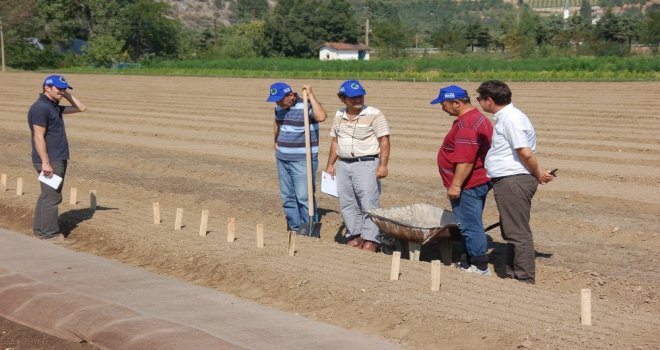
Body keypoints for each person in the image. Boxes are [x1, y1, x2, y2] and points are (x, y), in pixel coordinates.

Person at [476, 80, 554, 284]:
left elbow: (525, 152)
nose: (478, 102)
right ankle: (513, 275)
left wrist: (538, 173)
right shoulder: (507, 117)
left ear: (489, 100)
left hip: (513, 181)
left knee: (518, 232)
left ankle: (524, 280)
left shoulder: (511, 119)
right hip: (511, 179)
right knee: (511, 230)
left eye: (479, 98)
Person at [431, 85, 493, 275]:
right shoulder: (475, 118)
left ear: (457, 103)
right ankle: (467, 261)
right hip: (476, 181)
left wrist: (456, 185)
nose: (442, 108)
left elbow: (466, 160)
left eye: (444, 104)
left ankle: (479, 266)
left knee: (469, 225)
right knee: (468, 223)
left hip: (468, 184)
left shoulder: (467, 125)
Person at [324, 80, 390, 252]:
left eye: (360, 96)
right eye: (353, 98)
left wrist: (383, 165)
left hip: (366, 163)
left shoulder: (374, 114)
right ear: (342, 99)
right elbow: (335, 141)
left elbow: (384, 140)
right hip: (344, 164)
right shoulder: (339, 115)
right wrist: (330, 164)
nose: (357, 100)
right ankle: (355, 234)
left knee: (369, 201)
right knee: (347, 202)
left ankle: (370, 239)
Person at [28, 75, 87, 239]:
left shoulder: (53, 107)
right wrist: (46, 163)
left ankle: (40, 230)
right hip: (50, 160)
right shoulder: (41, 108)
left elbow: (81, 108)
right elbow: (38, 137)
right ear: (47, 88)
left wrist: (65, 94)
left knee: (47, 195)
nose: (62, 92)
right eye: (59, 89)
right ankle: (51, 234)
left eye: (64, 88)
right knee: (52, 196)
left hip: (55, 158)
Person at [267, 82, 327, 236]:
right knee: (287, 196)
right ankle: (294, 227)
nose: (278, 102)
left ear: (291, 95)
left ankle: (309, 230)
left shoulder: (306, 105)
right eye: (276, 100)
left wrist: (311, 95)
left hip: (303, 159)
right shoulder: (280, 107)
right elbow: (277, 122)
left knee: (304, 196)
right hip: (282, 158)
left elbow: (321, 116)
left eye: (281, 99)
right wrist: (276, 140)